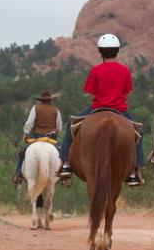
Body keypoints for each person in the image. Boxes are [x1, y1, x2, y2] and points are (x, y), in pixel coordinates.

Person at [58, 33, 143, 186]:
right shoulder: (124, 70)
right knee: (138, 132)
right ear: (117, 51)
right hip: (119, 110)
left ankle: (65, 163)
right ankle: (134, 171)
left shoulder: (96, 70)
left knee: (70, 125)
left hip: (97, 108)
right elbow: (126, 92)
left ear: (100, 51)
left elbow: (91, 92)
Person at [11, 90, 63, 184]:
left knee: (22, 153)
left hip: (37, 138)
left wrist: (25, 134)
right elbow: (59, 127)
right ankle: (64, 176)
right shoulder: (56, 111)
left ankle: (18, 174)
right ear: (50, 100)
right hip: (51, 139)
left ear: (41, 100)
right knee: (64, 153)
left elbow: (29, 123)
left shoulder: (35, 108)